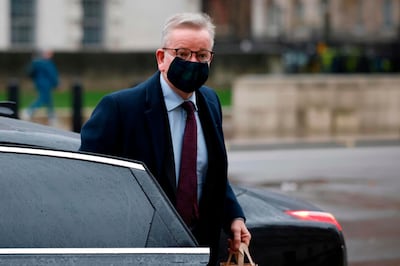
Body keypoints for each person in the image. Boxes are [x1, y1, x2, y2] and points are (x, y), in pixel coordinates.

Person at [79, 12, 251, 265]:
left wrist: (235, 217)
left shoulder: (210, 102)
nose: (193, 62)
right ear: (162, 58)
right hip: (140, 251)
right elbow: (88, 183)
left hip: (202, 251)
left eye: (202, 55)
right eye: (182, 54)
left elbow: (209, 174)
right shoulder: (120, 109)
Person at [24, 49, 59, 125]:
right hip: (46, 84)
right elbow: (52, 74)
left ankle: (51, 116)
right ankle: (29, 110)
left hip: (38, 83)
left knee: (48, 99)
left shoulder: (36, 63)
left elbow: (30, 73)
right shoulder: (47, 63)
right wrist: (56, 83)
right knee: (43, 98)